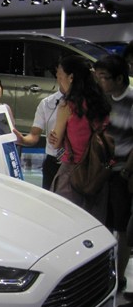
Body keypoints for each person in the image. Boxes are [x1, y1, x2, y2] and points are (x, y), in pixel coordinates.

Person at [49, 55, 111, 223]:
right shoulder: (101, 103)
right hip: (99, 174)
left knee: (67, 224)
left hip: (73, 173)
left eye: (60, 75)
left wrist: (55, 139)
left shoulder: (67, 106)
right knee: (94, 225)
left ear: (71, 77)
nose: (59, 79)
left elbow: (56, 143)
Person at [94, 54, 133, 297]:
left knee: (122, 227)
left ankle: (120, 277)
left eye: (104, 77)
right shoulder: (103, 99)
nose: (101, 82)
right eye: (98, 77)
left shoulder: (130, 100)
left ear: (119, 78)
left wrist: (127, 170)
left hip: (122, 172)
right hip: (103, 171)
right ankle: (104, 276)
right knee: (103, 224)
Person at [16, 85, 65, 190]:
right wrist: (23, 140)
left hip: (77, 164)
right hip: (53, 161)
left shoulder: (85, 102)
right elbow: (34, 135)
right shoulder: (47, 103)